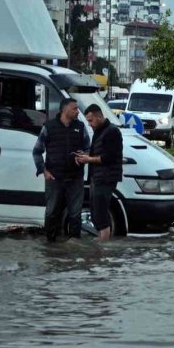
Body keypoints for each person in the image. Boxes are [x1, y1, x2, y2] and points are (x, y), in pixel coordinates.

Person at [32, 98, 89, 241]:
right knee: (51, 212)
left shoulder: (80, 127)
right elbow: (37, 151)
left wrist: (85, 156)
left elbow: (88, 148)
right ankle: (50, 247)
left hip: (75, 178)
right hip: (54, 178)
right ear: (64, 110)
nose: (77, 111)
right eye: (74, 109)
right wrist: (43, 171)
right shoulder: (49, 127)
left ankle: (74, 247)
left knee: (75, 214)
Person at [76, 104, 123, 241]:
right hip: (97, 177)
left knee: (101, 212)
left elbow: (109, 157)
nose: (89, 124)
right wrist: (86, 155)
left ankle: (104, 243)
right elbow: (99, 152)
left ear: (99, 116)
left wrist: (88, 159)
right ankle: (101, 241)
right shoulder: (100, 130)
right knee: (95, 211)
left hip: (106, 178)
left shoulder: (112, 132)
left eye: (90, 120)